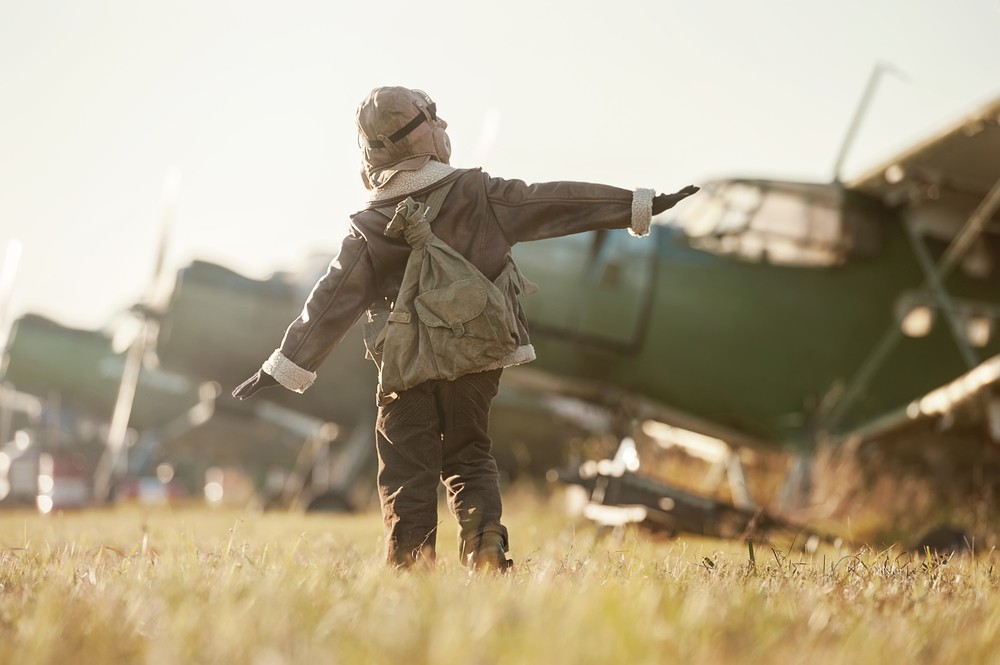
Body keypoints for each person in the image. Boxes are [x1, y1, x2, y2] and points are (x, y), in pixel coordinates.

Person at [233, 86, 698, 572]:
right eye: (433, 115)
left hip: (406, 365)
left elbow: (332, 300)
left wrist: (283, 365)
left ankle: (411, 564)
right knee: (469, 456)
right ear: (418, 135)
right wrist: (637, 204)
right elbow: (555, 201)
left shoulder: (370, 225)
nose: (444, 124)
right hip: (476, 358)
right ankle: (485, 547)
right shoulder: (481, 195)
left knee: (407, 468)